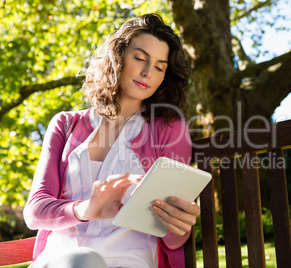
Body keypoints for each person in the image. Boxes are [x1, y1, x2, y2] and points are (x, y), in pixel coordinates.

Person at [23, 13, 199, 268]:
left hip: (129, 260)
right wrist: (87, 209)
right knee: (82, 261)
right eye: (140, 58)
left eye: (160, 67)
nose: (148, 72)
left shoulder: (170, 130)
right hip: (63, 258)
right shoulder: (65, 124)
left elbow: (173, 239)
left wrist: (179, 223)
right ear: (117, 57)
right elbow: (36, 211)